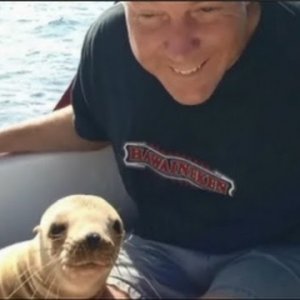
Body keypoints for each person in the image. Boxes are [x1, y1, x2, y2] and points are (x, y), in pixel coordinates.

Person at [1, 1, 300, 298]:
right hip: (155, 247)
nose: (180, 48)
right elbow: (90, 123)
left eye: (206, 9)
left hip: (278, 251)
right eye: (149, 14)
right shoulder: (111, 41)